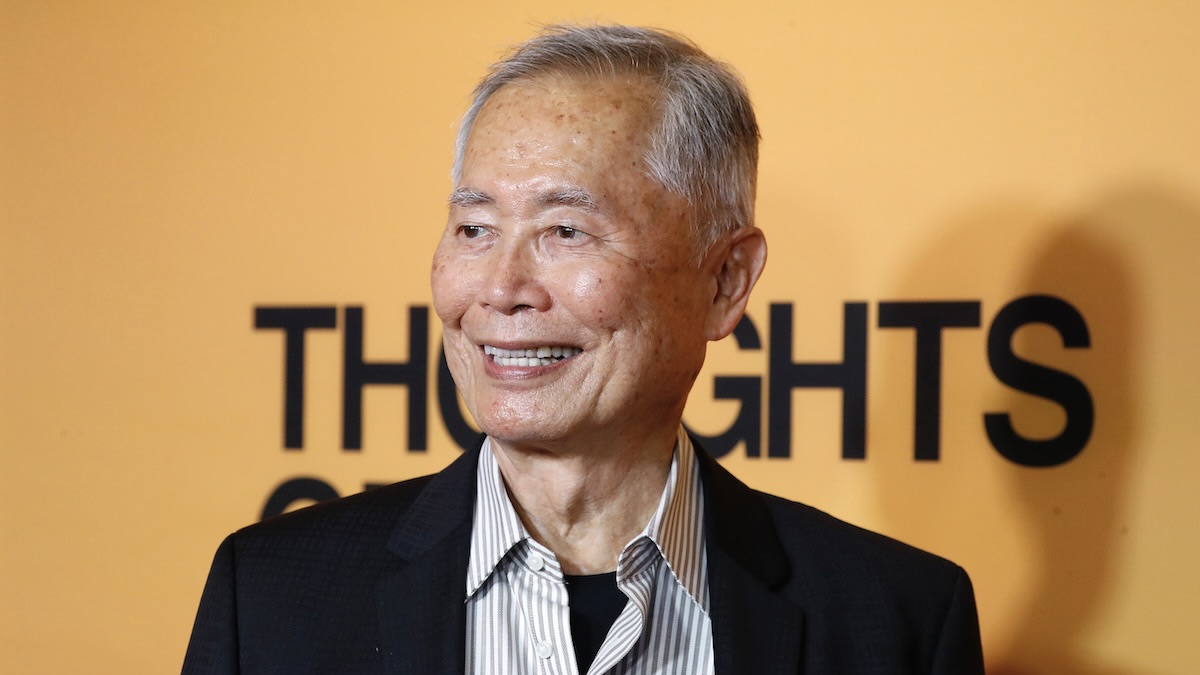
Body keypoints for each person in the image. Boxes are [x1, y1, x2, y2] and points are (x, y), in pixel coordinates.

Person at [182, 24, 984, 675]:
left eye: (565, 230)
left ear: (724, 280)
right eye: (475, 228)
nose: (501, 288)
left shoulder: (898, 621)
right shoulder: (273, 600)